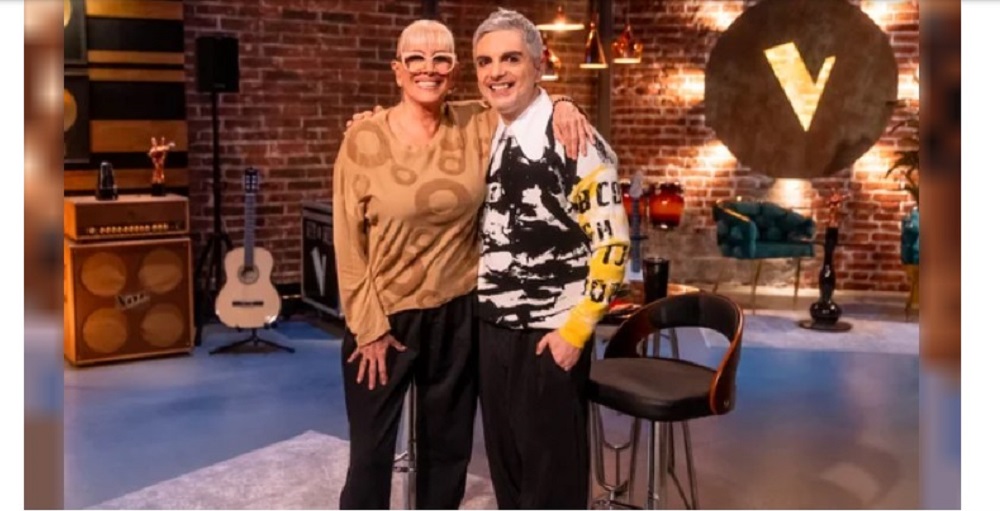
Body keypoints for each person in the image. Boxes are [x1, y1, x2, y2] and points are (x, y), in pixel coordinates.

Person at [332, 19, 591, 510]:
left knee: (447, 452)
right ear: (397, 70)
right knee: (369, 457)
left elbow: (524, 98)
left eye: (442, 59)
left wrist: (564, 103)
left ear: (454, 71)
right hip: (383, 317)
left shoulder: (477, 123)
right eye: (415, 58)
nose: (428, 68)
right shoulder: (363, 138)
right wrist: (367, 328)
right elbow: (348, 242)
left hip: (457, 314)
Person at [472, 9, 631, 509]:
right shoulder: (491, 127)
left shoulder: (574, 139)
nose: (496, 72)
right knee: (509, 476)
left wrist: (576, 332)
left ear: (538, 64)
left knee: (552, 485)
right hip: (493, 328)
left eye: (510, 59)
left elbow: (613, 245)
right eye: (484, 62)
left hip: (550, 334)